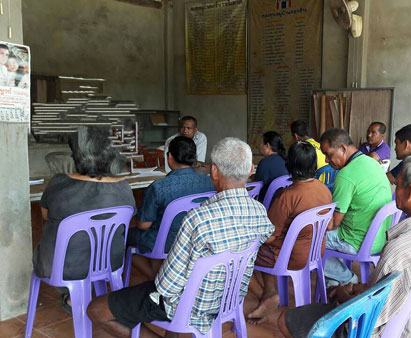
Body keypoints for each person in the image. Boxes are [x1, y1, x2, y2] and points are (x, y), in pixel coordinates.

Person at [87, 137, 274, 338]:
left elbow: (167, 286)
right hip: (229, 299)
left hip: (190, 306)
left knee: (96, 309)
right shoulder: (259, 211)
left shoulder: (198, 219)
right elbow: (268, 238)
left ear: (214, 171)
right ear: (249, 171)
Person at [279, 155, 411, 338]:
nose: (394, 190)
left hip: (374, 331)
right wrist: (362, 289)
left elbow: (370, 316)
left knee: (285, 320)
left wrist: (344, 295)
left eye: (397, 185)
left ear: (410, 191)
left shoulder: (399, 251)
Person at [33, 126, 135, 313]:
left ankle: (70, 295)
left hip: (64, 268)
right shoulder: (124, 187)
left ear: (77, 153)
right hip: (109, 262)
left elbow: (46, 217)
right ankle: (93, 293)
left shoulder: (60, 183)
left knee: (54, 237)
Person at [248, 141, 332, 323]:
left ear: (289, 165)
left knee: (250, 251)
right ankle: (269, 294)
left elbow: (269, 235)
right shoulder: (324, 190)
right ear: (314, 165)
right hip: (316, 252)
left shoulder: (287, 196)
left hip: (291, 257)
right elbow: (330, 225)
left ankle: (268, 293)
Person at [127, 136, 214, 280]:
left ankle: (161, 279)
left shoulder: (159, 186)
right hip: (196, 240)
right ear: (194, 158)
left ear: (170, 157)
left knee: (125, 239)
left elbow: (143, 225)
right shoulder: (209, 183)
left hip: (165, 243)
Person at [320, 128, 392, 287]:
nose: (326, 160)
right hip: (380, 238)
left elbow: (334, 224)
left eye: (329, 154)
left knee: (309, 242)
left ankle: (346, 279)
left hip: (357, 242)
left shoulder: (346, 174)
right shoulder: (372, 163)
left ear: (343, 149)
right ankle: (334, 284)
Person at [254, 131, 289, 201]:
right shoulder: (286, 160)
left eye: (261, 143)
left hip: (266, 205)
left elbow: (257, 188)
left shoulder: (264, 163)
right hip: (283, 202)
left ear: (267, 145)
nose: (259, 146)